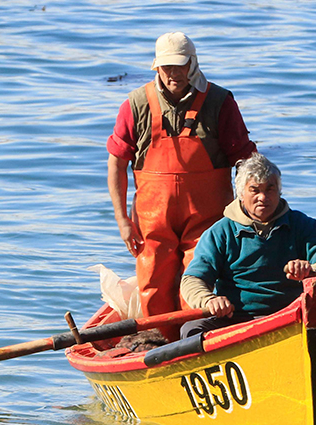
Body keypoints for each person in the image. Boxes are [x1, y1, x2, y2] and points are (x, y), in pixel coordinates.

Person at [107, 32, 256, 319]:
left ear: (193, 63)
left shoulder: (220, 102)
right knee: (152, 280)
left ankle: (195, 339)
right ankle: (157, 341)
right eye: (166, 67)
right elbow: (116, 164)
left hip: (207, 217)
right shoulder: (135, 104)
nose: (174, 74)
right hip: (151, 220)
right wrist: (122, 221)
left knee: (200, 278)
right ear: (156, 67)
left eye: (180, 65)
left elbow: (246, 161)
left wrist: (249, 212)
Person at [179, 152, 316, 338]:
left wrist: (312, 271)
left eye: (270, 189)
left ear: (279, 192)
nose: (263, 197)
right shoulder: (220, 232)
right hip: (237, 317)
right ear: (241, 194)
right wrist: (209, 300)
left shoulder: (301, 224)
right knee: (190, 331)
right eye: (255, 190)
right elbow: (192, 280)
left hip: (295, 315)